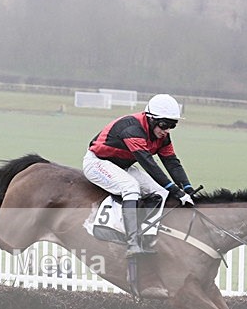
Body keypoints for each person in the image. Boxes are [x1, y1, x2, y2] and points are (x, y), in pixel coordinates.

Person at [83, 93, 195, 257]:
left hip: (122, 166)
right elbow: (149, 164)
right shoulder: (132, 130)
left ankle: (145, 236)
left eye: (172, 125)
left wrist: (188, 188)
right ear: (151, 119)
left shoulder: (162, 137)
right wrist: (177, 191)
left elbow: (171, 162)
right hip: (97, 163)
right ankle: (132, 243)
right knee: (131, 187)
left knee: (161, 192)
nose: (166, 131)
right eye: (164, 125)